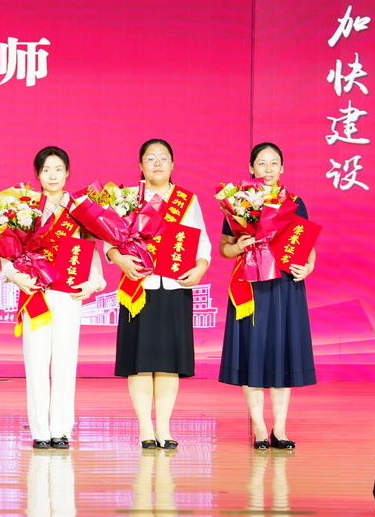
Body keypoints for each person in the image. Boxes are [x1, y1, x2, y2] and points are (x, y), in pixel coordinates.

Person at [106, 138, 211, 449]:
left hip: (175, 288)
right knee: (140, 361)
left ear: (173, 165)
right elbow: (108, 240)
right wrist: (119, 259)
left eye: (163, 157)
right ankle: (145, 428)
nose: (157, 163)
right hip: (138, 287)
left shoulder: (187, 200)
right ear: (140, 165)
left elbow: (202, 242)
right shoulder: (127, 198)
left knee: (169, 362)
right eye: (150, 158)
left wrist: (201, 267)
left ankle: (164, 428)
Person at [1, 147, 104, 449]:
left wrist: (93, 283)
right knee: (35, 362)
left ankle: (61, 429)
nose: (53, 175)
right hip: (36, 292)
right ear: (37, 174)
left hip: (68, 293)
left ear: (68, 173)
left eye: (58, 169)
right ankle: (39, 430)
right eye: (46, 169)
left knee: (65, 361)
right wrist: (15, 275)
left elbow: (90, 250)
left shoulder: (79, 209)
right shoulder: (24, 207)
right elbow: (6, 248)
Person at [218, 142, 316, 450]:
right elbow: (224, 248)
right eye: (262, 163)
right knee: (254, 355)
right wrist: (239, 246)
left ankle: (280, 428)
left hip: (285, 286)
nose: (269, 169)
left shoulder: (295, 203)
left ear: (282, 168)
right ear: (251, 168)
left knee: (282, 354)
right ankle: (260, 427)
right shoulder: (238, 202)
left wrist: (308, 267)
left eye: (274, 163)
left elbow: (307, 246)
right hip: (251, 286)